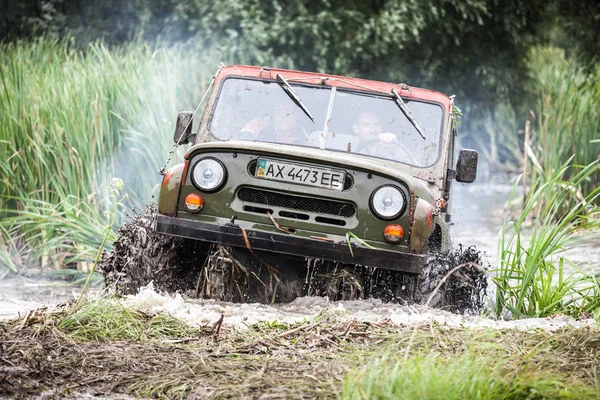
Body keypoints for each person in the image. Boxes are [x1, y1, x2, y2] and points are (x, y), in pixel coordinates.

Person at [240, 102, 309, 144]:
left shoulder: (307, 139)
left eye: (288, 111)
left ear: (297, 116)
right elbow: (241, 139)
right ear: (273, 113)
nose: (283, 115)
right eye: (279, 110)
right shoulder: (260, 124)